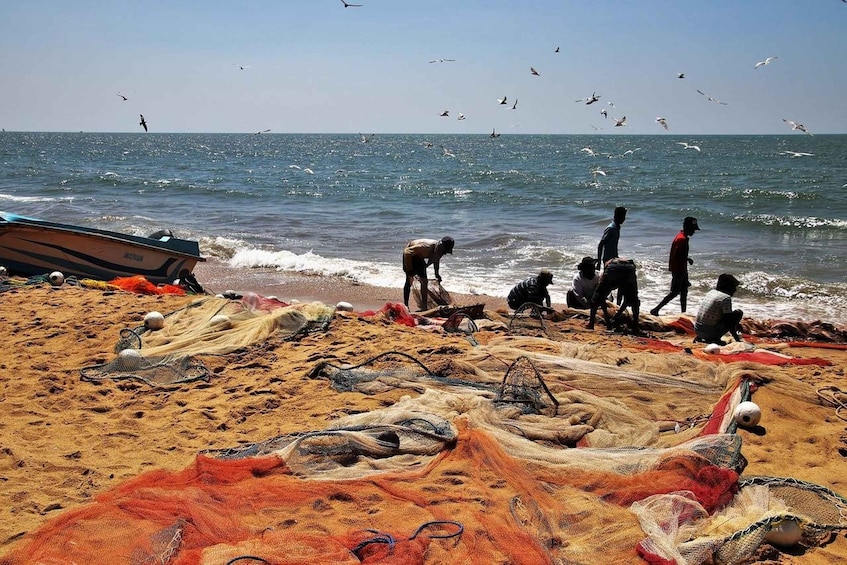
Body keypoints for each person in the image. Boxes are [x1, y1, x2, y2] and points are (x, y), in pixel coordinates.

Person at [650, 216, 700, 316]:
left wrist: (686, 259)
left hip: (682, 268)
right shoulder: (681, 239)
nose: (694, 232)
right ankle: (656, 309)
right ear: (687, 227)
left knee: (684, 290)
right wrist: (686, 259)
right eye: (692, 229)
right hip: (679, 269)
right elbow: (676, 255)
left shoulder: (682, 237)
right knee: (674, 292)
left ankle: (683, 312)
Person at [587, 257, 640, 332]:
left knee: (596, 298)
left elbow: (601, 299)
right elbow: (626, 300)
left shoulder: (608, 264)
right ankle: (635, 327)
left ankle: (591, 324)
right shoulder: (626, 262)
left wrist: (609, 322)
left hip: (613, 268)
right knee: (634, 302)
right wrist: (615, 317)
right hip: (630, 268)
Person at [402, 236, 454, 311]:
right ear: (442, 246)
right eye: (445, 250)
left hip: (419, 257)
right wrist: (409, 268)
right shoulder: (426, 247)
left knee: (424, 282)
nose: (445, 253)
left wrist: (437, 274)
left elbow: (436, 259)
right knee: (409, 280)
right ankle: (406, 305)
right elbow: (407, 252)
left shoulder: (439, 250)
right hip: (410, 256)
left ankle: (424, 307)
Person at [694, 274, 744, 345]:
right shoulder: (726, 298)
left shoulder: (711, 292)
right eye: (734, 287)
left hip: (698, 330)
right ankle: (715, 339)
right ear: (728, 286)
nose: (735, 290)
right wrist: (737, 339)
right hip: (709, 334)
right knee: (738, 313)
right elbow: (729, 323)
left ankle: (702, 337)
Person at [596, 206, 627, 271]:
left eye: (624, 217)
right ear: (616, 216)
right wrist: (599, 262)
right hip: (608, 260)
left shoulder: (617, 227)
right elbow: (601, 245)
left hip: (614, 258)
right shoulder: (611, 228)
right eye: (622, 217)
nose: (624, 219)